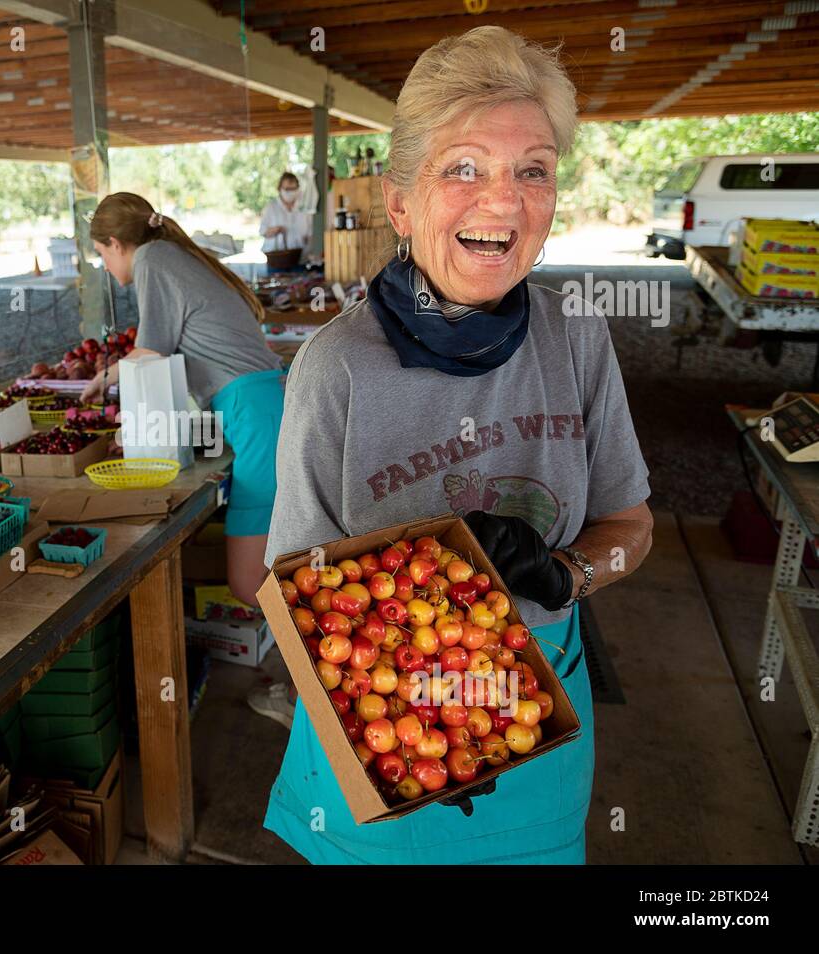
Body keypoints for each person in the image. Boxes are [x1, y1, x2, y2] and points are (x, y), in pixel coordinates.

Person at [261, 26, 654, 864]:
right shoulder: (336, 370)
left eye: (533, 170)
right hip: (378, 745)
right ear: (401, 203)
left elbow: (631, 527)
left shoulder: (576, 338)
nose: (503, 202)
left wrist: (568, 573)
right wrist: (414, 703)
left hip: (535, 732)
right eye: (464, 167)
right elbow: (298, 601)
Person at [80, 193, 284, 606]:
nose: (105, 265)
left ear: (116, 244)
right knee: (270, 573)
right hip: (262, 406)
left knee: (250, 585)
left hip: (256, 416)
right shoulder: (172, 254)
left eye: (102, 253)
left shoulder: (153, 258)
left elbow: (152, 350)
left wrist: (104, 377)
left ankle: (314, 658)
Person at [259, 172, 312, 272]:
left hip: (299, 260)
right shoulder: (271, 207)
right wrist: (275, 230)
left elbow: (310, 231)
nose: (290, 192)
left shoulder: (304, 207)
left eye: (293, 189)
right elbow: (263, 231)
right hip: (277, 261)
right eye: (287, 189)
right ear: (280, 189)